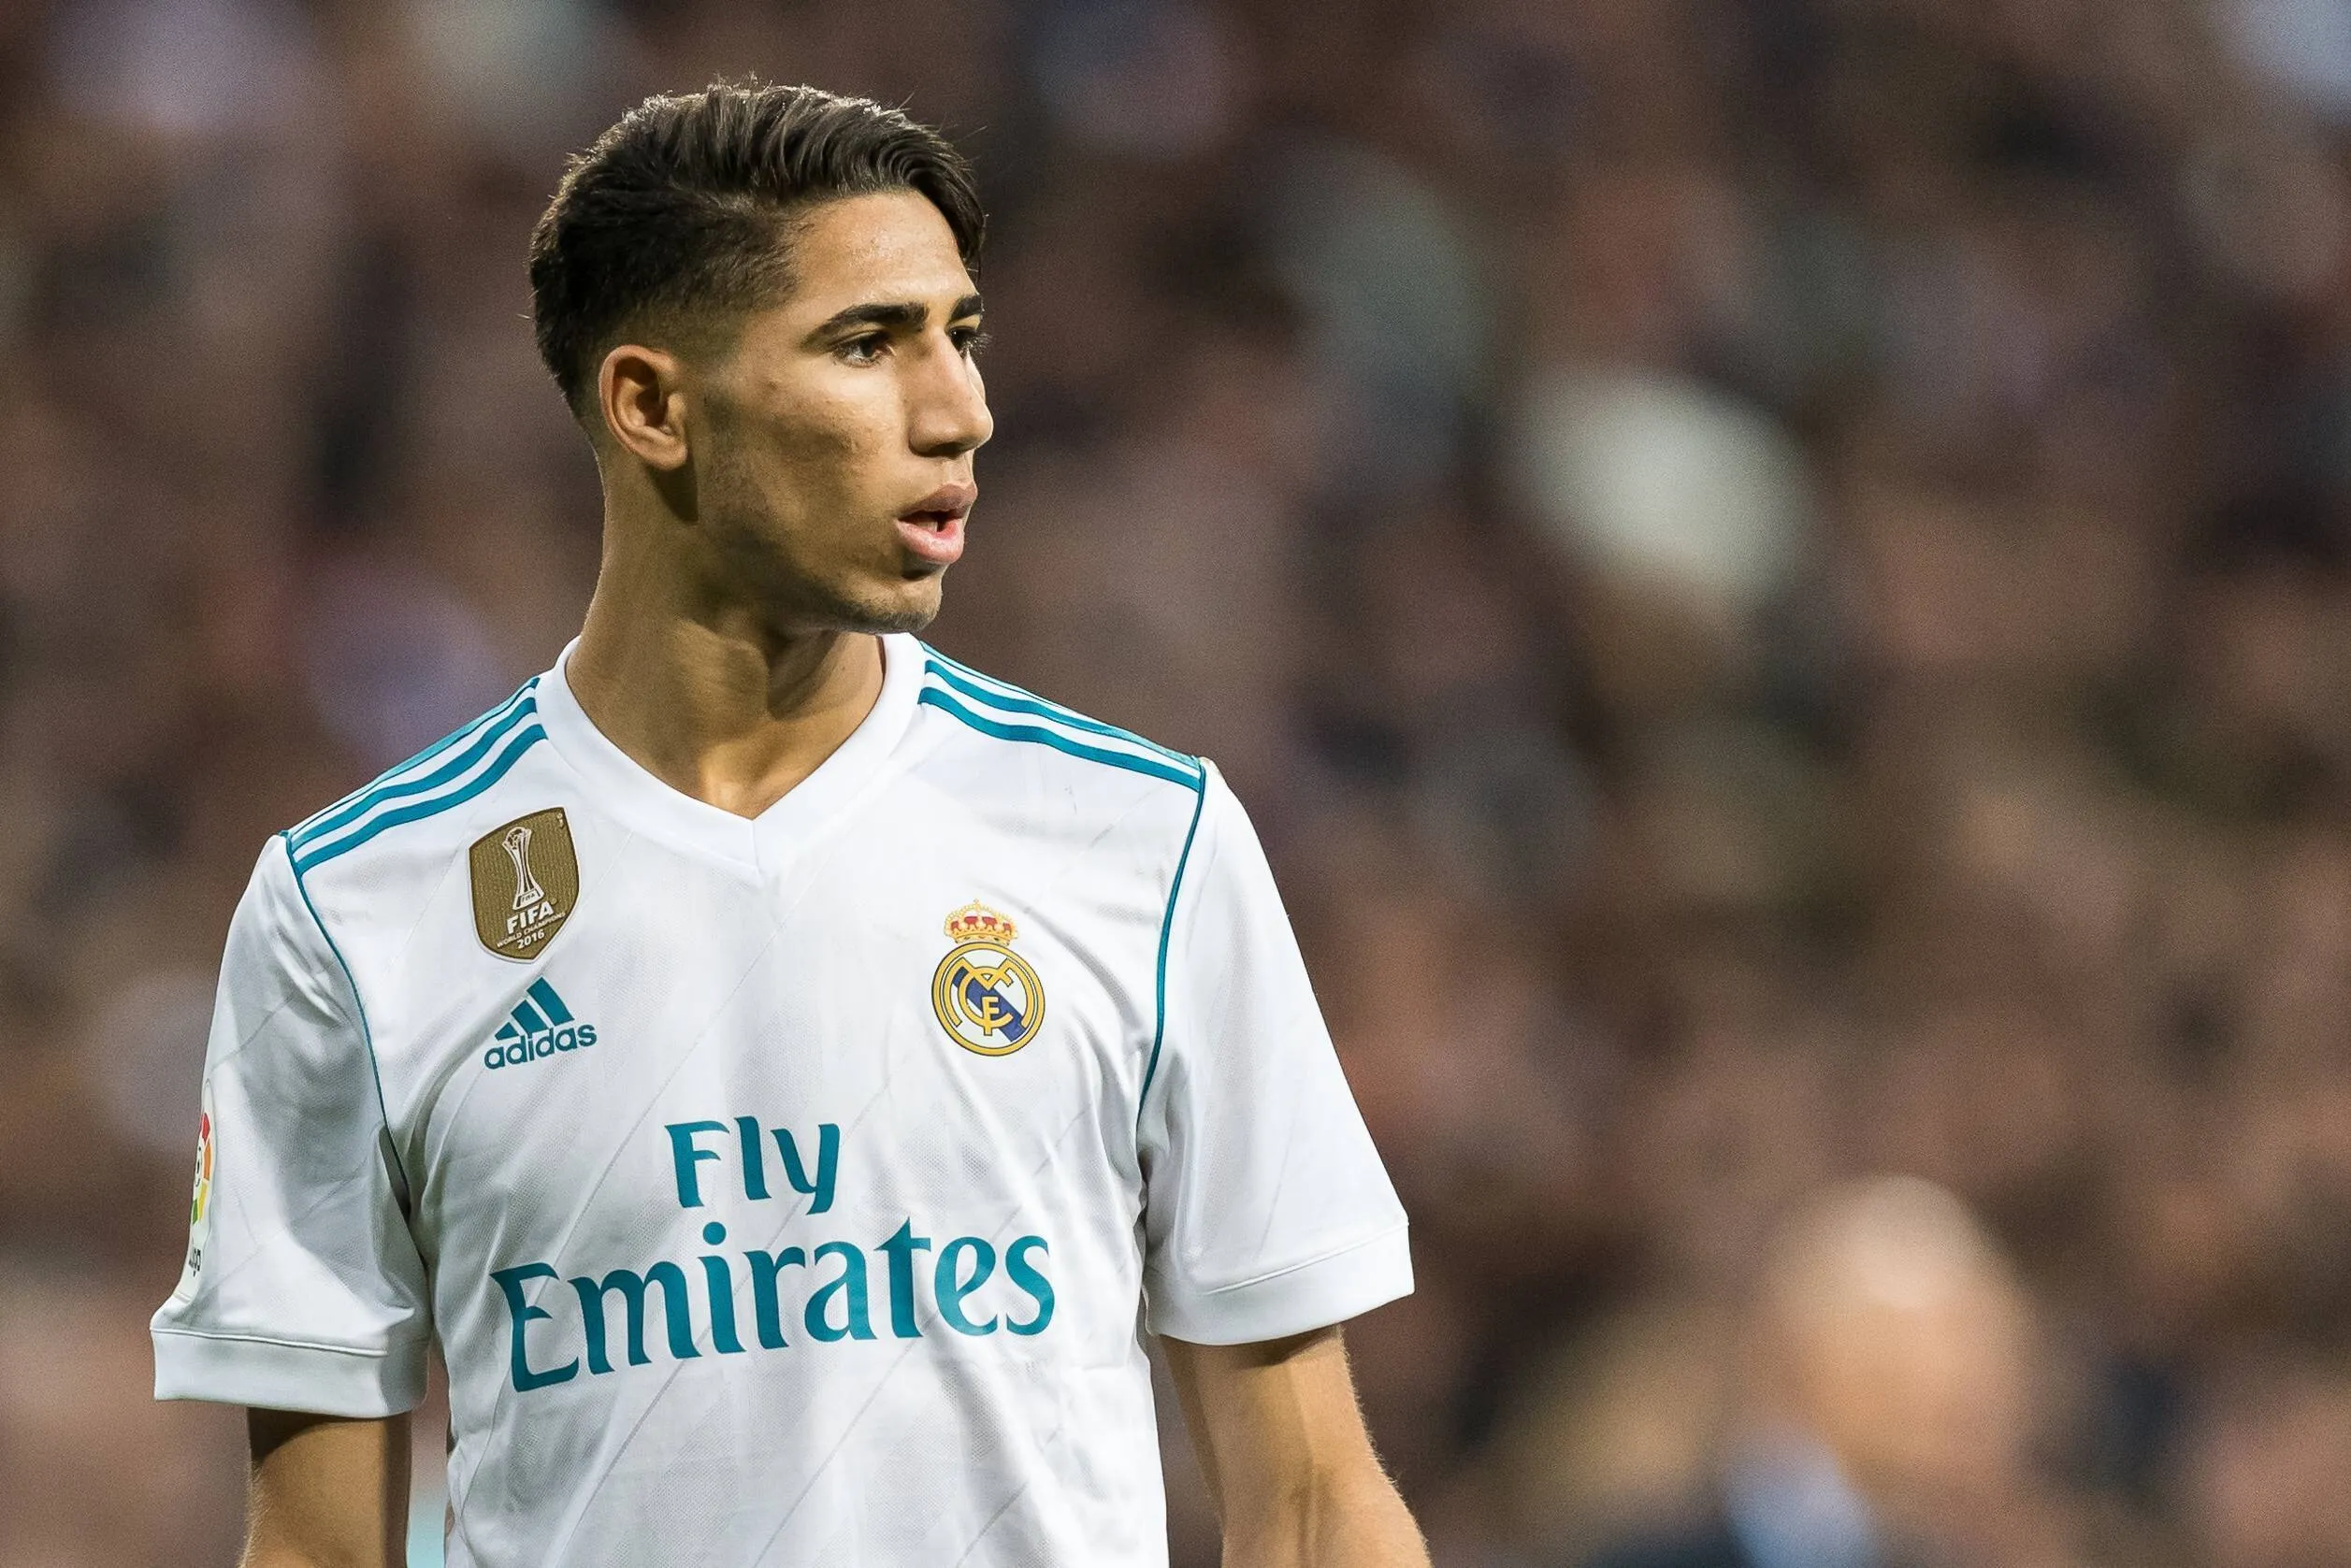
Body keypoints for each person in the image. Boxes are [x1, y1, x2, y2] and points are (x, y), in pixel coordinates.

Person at [150, 83, 1425, 1568]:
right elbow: (316, 1549)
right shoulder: (354, 907)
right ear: (651, 406)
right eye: (867, 343)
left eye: (960, 335)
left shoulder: (1141, 840)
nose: (959, 411)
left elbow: (1312, 1500)